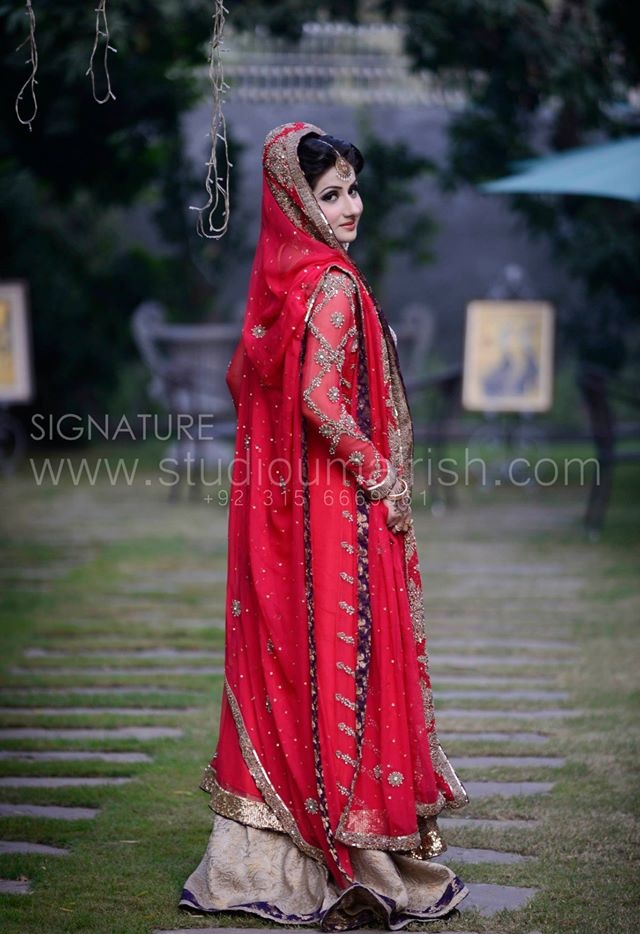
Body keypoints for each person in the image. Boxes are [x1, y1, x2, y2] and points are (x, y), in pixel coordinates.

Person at [180, 121, 469, 930]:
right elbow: (318, 401)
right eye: (331, 193)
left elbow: (261, 385)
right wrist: (381, 473)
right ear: (294, 200)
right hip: (339, 505)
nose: (351, 207)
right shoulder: (334, 286)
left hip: (297, 508)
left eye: (351, 190)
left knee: (300, 668)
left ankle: (276, 854)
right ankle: (353, 850)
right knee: (346, 667)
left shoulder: (287, 283)